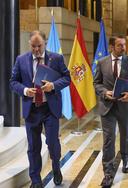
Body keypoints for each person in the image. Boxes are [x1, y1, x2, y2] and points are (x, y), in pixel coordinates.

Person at [10, 30, 70, 188]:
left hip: (50, 109)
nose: (36, 50)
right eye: (33, 46)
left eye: (39, 46)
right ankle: (35, 180)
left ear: (45, 43)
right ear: (29, 44)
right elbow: (13, 82)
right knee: (33, 146)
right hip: (31, 109)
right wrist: (24, 90)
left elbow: (67, 78)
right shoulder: (21, 60)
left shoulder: (56, 58)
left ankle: (56, 168)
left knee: (52, 143)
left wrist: (53, 86)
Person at [93, 34, 128, 187]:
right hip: (107, 107)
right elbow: (96, 83)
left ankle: (126, 159)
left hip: (125, 106)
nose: (123, 48)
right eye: (120, 45)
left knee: (126, 135)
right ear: (111, 47)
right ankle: (108, 172)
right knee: (108, 140)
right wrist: (104, 92)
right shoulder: (102, 63)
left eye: (124, 45)